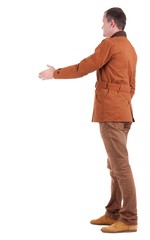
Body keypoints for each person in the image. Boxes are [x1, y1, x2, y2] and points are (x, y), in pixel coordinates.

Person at [38, 7, 138, 233]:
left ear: (112, 23)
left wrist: (56, 73)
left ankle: (130, 218)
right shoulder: (130, 49)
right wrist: (121, 101)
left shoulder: (109, 45)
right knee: (114, 164)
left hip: (111, 114)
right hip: (124, 112)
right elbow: (132, 86)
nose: (101, 26)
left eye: (103, 22)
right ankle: (113, 213)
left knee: (120, 166)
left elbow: (85, 67)